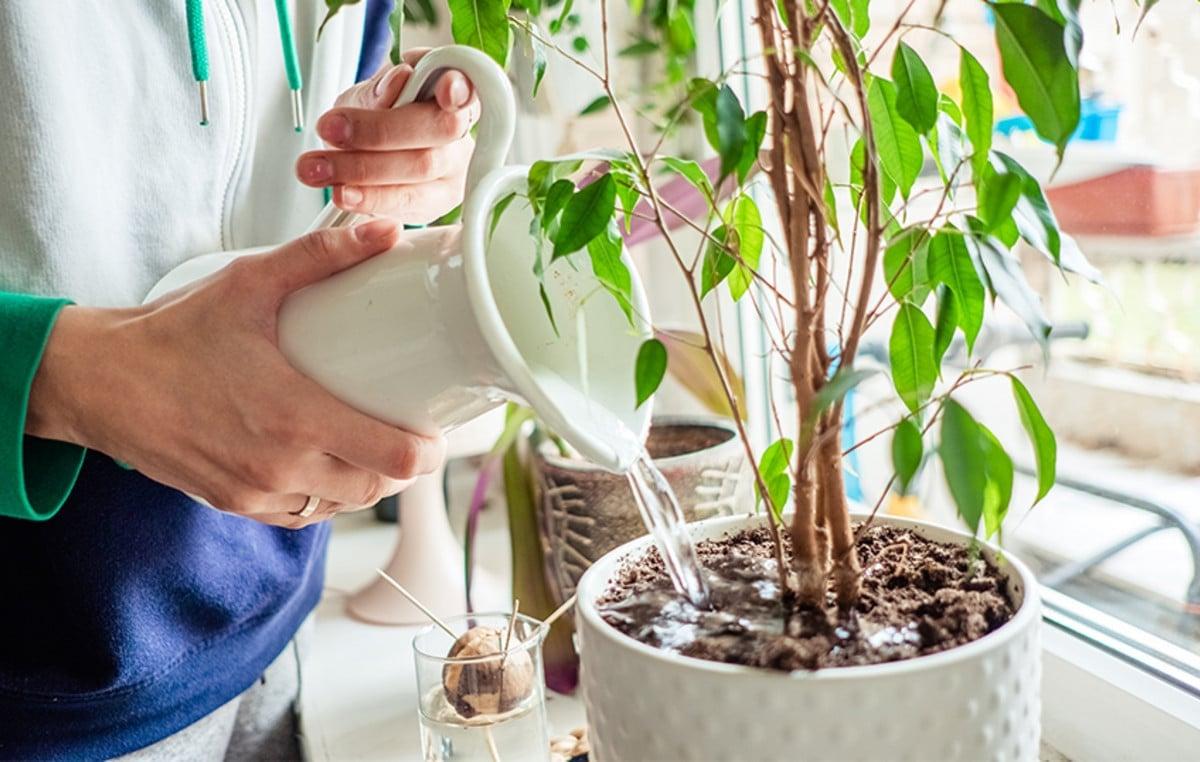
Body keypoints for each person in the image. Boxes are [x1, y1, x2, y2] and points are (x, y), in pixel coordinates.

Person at [0, 2, 476, 757]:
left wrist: (399, 173)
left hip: (284, 622)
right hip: (42, 696)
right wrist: (72, 377)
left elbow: (311, 167)